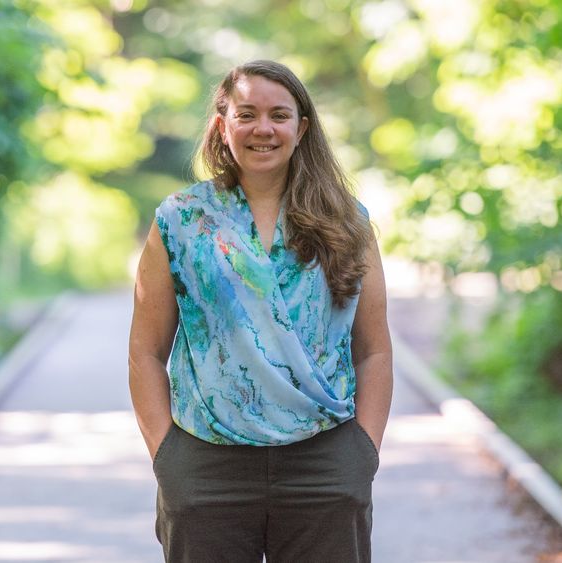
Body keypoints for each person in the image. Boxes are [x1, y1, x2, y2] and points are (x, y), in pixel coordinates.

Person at [128, 59, 393, 563]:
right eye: (246, 114)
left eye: (279, 115)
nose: (263, 129)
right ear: (222, 124)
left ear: (302, 128)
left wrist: (364, 453)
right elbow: (145, 352)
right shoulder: (181, 220)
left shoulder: (348, 221)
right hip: (206, 465)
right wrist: (169, 459)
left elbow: (374, 349)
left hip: (325, 460)